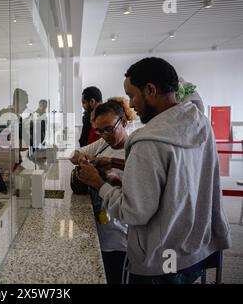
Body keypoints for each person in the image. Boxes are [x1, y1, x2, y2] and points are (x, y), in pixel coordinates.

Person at [78, 57, 231, 284]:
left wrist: (100, 185)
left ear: (150, 89)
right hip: (198, 249)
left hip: (161, 260)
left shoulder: (146, 142)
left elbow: (133, 213)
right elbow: (169, 181)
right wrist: (120, 176)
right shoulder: (198, 118)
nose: (130, 105)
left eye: (132, 95)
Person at [71, 97, 135, 284]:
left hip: (119, 237)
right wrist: (84, 160)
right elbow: (74, 154)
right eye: (98, 130)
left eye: (108, 129)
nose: (104, 134)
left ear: (123, 122)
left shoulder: (134, 152)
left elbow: (136, 199)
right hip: (102, 229)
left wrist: (99, 180)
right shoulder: (104, 144)